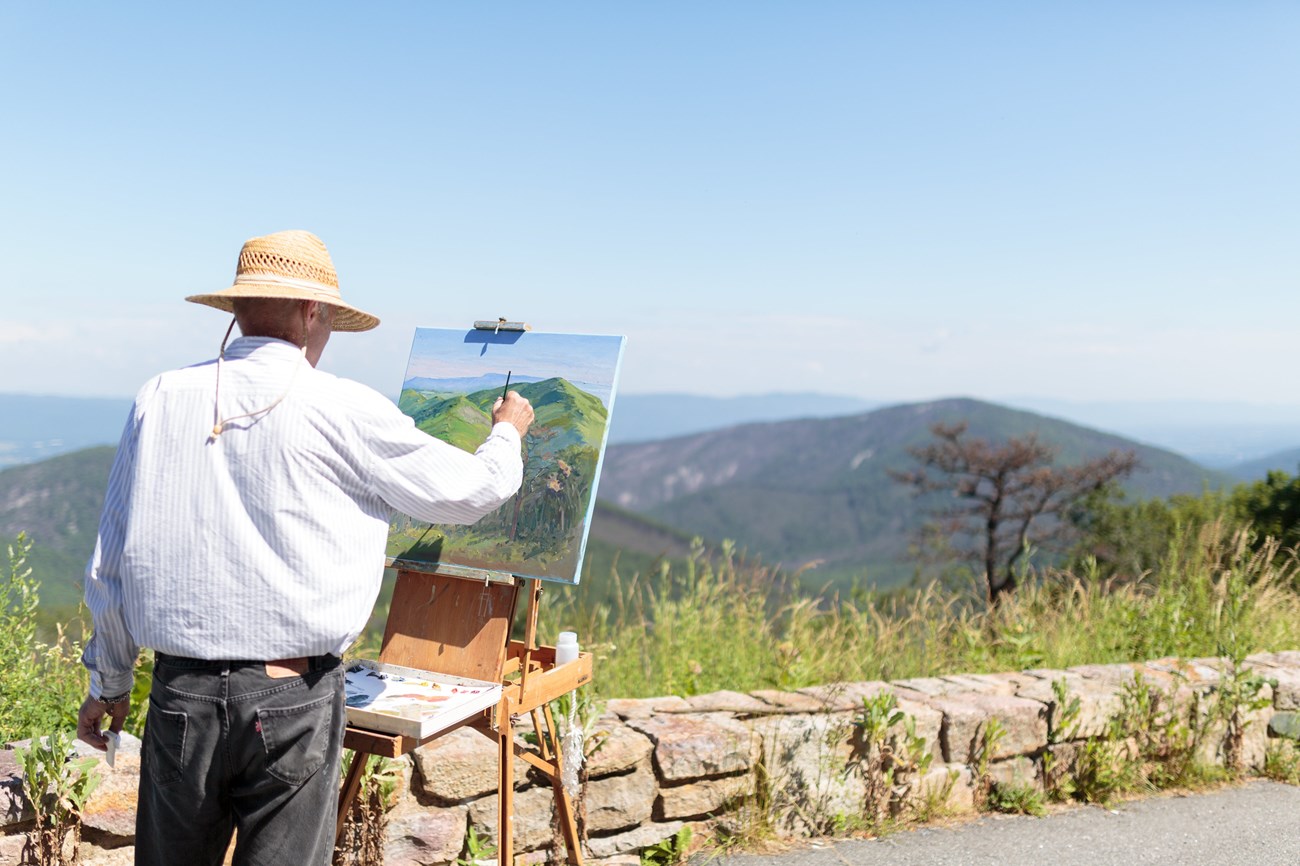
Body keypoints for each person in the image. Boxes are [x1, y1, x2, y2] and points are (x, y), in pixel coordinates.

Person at [75, 229, 534, 865]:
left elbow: (112, 560)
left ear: (236, 309)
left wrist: (110, 679)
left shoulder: (159, 396)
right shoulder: (343, 407)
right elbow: (468, 491)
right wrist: (507, 434)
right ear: (313, 311)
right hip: (290, 698)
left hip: (182, 693)